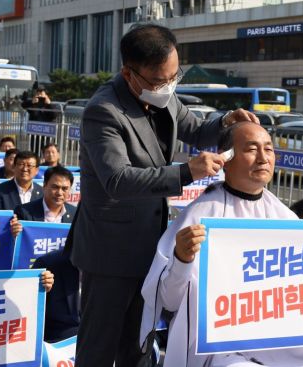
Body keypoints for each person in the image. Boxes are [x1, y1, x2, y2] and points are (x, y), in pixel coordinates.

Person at [71, 23, 258, 367]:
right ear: (129, 74)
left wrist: (225, 120)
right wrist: (187, 172)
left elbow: (197, 130)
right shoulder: (104, 112)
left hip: (153, 247)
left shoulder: (163, 94)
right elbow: (118, 179)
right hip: (110, 250)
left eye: (175, 77)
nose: (168, 87)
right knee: (99, 347)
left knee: (140, 344)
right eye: (160, 81)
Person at [141, 122, 303, 367]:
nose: (263, 158)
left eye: (268, 149)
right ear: (226, 157)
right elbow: (170, 301)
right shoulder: (198, 219)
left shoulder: (285, 218)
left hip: (279, 344)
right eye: (251, 149)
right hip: (219, 348)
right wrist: (182, 259)